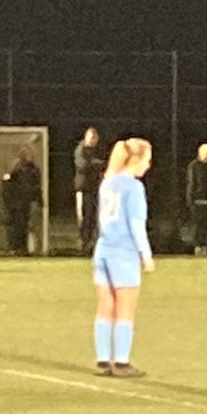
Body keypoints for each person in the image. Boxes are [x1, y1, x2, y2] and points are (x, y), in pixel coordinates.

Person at [92, 138, 155, 377]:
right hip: (123, 253)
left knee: (105, 307)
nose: (148, 166)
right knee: (126, 309)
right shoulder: (133, 188)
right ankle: (121, 362)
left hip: (103, 250)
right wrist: (146, 256)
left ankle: (102, 359)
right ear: (136, 160)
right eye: (147, 160)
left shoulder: (107, 184)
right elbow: (136, 225)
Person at [1, 147, 43, 255]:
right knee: (16, 226)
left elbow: (37, 186)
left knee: (25, 226)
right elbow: (7, 183)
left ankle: (24, 248)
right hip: (15, 202)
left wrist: (39, 200)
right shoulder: (16, 167)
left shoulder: (34, 169)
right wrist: (8, 199)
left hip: (26, 202)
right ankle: (15, 247)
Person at [74, 127, 105, 255]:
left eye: (95, 138)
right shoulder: (80, 150)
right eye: (91, 138)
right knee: (84, 218)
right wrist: (97, 164)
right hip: (83, 189)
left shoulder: (97, 150)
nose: (93, 140)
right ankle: (83, 244)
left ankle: (91, 245)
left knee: (93, 218)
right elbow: (82, 165)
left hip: (95, 189)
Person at [186, 142, 207, 254]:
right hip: (197, 201)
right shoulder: (194, 166)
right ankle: (197, 246)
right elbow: (192, 183)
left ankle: (205, 246)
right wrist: (190, 199)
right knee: (197, 225)